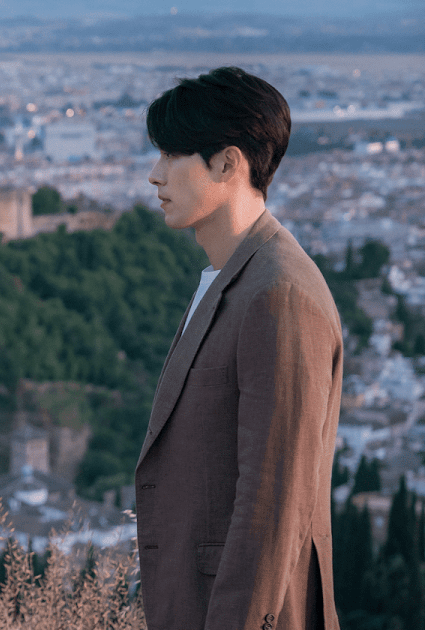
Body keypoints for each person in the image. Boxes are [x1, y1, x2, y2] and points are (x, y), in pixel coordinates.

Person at [135, 67, 342, 630]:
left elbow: (271, 507)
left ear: (228, 163)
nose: (155, 176)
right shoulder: (232, 277)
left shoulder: (279, 295)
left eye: (173, 156)